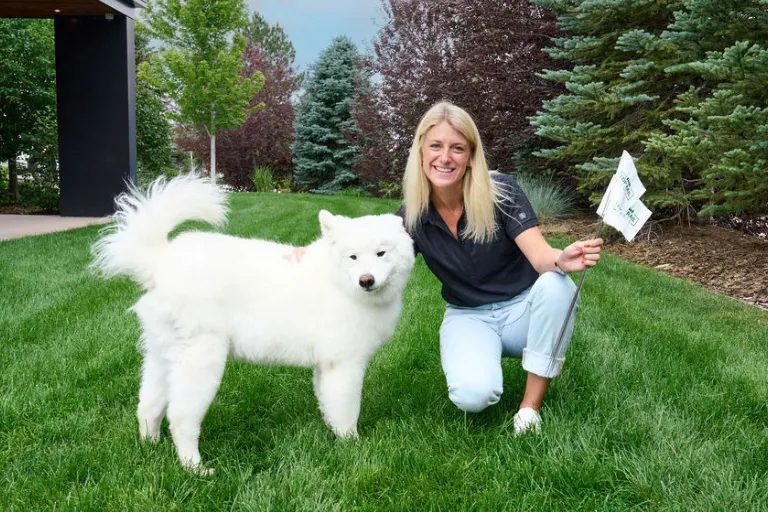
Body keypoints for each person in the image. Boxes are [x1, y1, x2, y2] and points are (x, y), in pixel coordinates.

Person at [397, 101, 603, 435]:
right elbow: (372, 254)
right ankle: (490, 363)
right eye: (435, 145)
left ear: (470, 156)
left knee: (557, 285)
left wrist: (561, 259)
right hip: (468, 316)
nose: (445, 157)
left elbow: (539, 256)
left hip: (522, 310)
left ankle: (528, 409)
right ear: (420, 151)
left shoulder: (501, 192)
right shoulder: (411, 214)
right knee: (473, 397)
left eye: (457, 148)